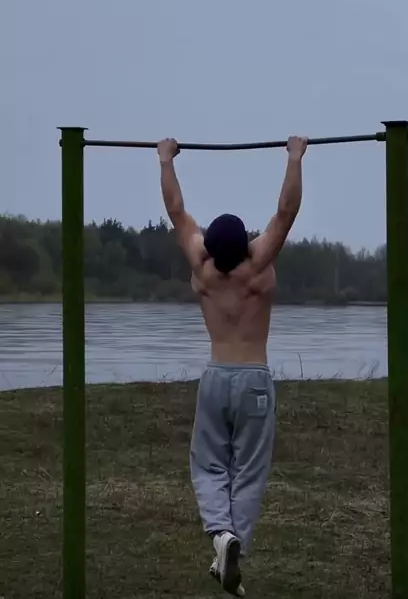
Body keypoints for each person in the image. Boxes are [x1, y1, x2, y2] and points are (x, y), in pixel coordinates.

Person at [157, 135, 308, 596]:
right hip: (255, 380)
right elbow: (285, 212)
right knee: (249, 471)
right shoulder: (258, 266)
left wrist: (165, 160)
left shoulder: (202, 271)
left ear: (209, 247)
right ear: (245, 243)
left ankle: (221, 538)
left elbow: (177, 211)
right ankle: (231, 541)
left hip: (216, 377)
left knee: (208, 465)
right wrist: (294, 157)